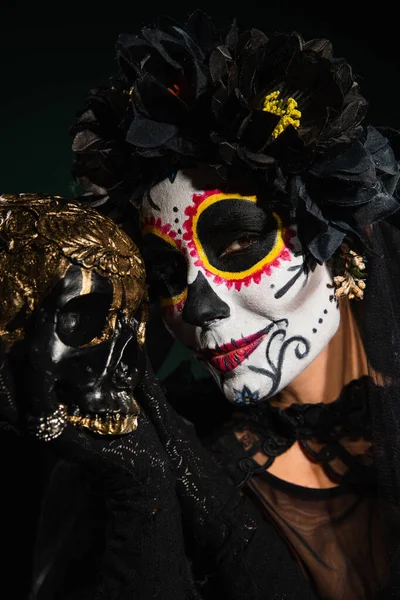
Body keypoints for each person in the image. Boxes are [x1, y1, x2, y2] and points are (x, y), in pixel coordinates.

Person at [3, 9, 400, 600]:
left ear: (335, 238)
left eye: (239, 242)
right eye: (165, 272)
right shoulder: (172, 455)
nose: (197, 308)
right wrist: (147, 490)